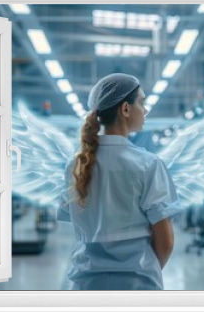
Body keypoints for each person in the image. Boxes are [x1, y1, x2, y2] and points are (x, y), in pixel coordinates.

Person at [57, 73, 183, 290]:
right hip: (137, 286)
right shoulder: (148, 164)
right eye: (141, 103)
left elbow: (77, 226)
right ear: (125, 109)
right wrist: (145, 271)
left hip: (87, 286)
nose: (145, 110)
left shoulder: (75, 165)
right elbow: (166, 242)